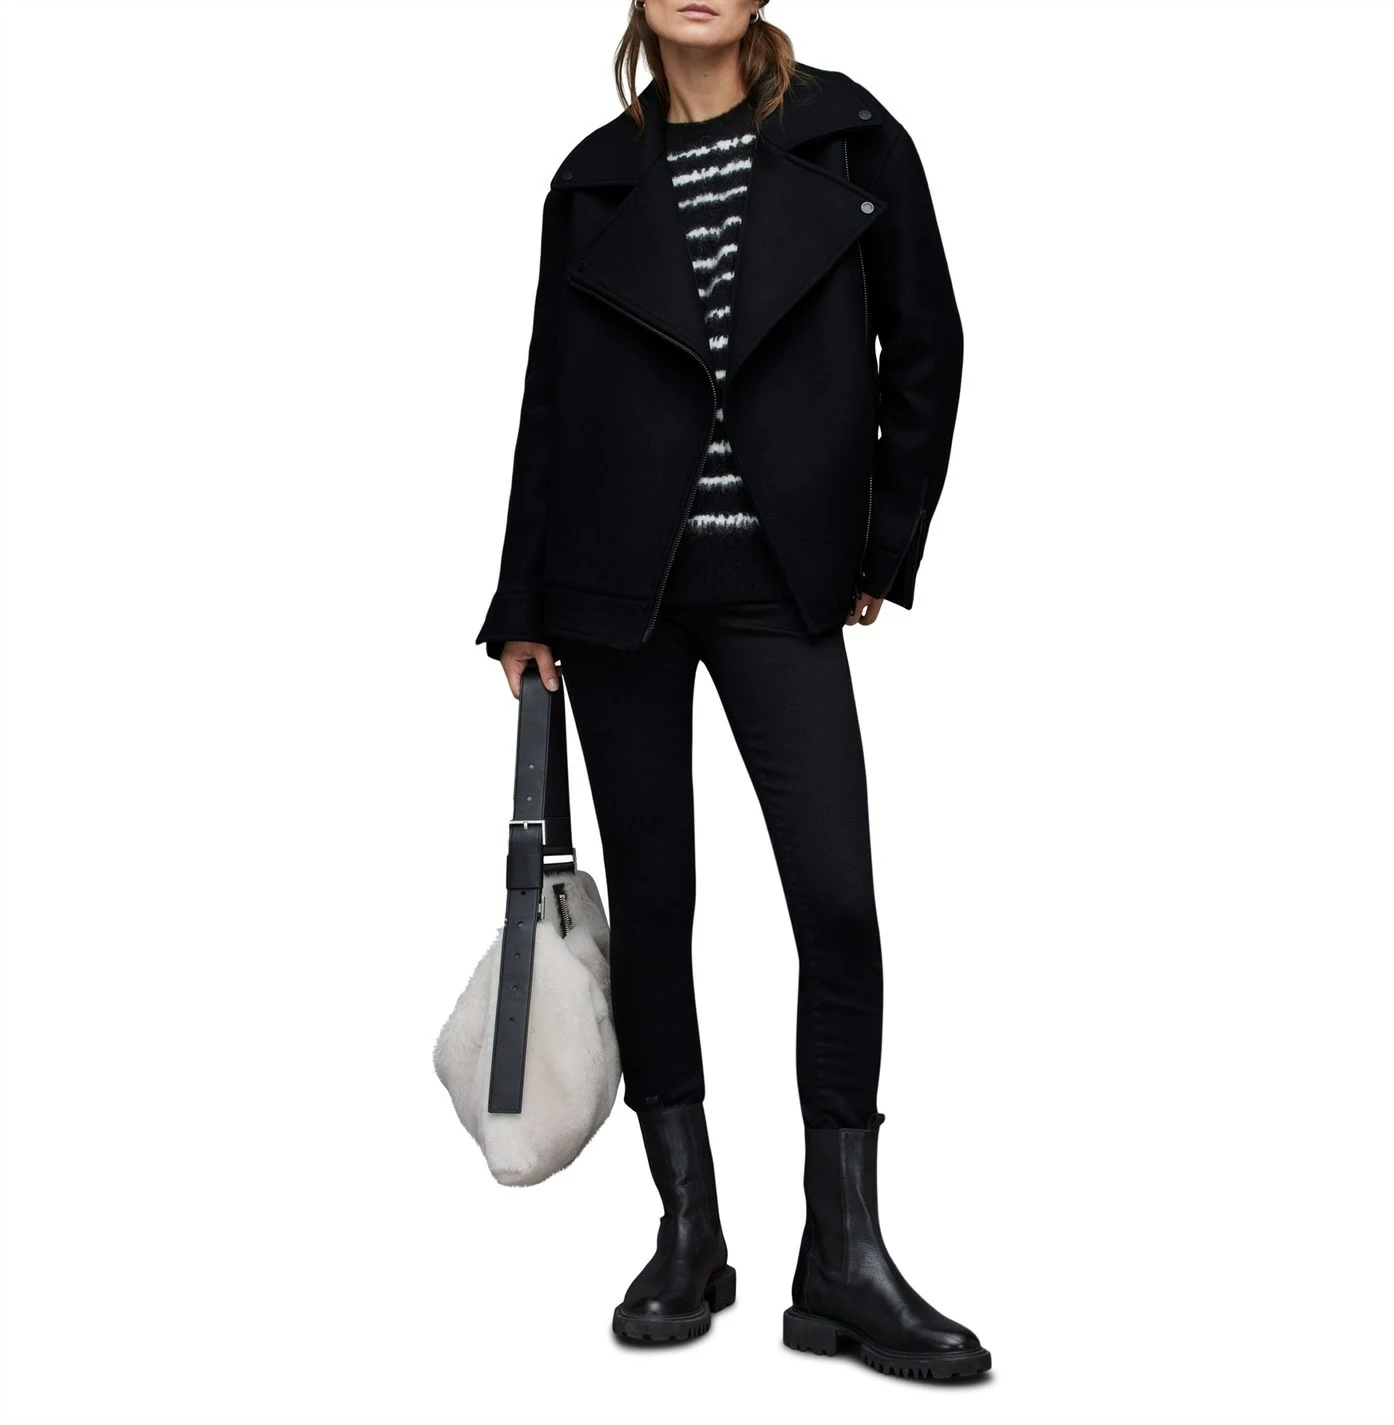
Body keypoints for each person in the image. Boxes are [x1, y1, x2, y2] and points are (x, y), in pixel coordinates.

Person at [475, 0, 988, 1381]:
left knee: (837, 901)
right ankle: (687, 1229)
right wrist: (521, 602)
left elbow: (928, 343)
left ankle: (845, 1256)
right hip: (614, 589)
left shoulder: (848, 135)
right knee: (655, 911)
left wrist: (883, 544)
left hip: (782, 581)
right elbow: (550, 398)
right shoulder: (592, 177)